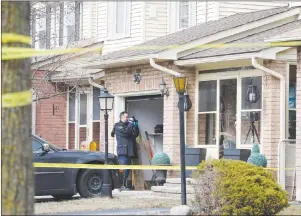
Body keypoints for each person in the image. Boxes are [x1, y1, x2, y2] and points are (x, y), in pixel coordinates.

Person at [111, 111, 139, 190]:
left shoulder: (128, 126)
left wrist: (136, 125)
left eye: (128, 117)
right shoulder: (118, 126)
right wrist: (131, 124)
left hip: (130, 150)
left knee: (128, 169)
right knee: (123, 169)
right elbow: (126, 132)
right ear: (122, 117)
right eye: (126, 117)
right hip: (123, 150)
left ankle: (123, 185)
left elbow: (136, 134)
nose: (128, 119)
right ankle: (120, 185)